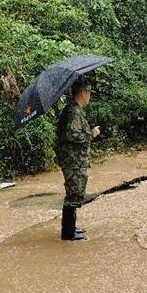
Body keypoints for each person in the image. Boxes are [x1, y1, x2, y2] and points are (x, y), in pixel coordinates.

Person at [54, 77, 100, 241]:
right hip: (73, 161)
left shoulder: (76, 110)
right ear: (82, 93)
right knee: (74, 194)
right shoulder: (73, 111)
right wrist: (91, 133)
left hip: (76, 161)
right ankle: (68, 233)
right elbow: (70, 135)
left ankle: (71, 228)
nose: (90, 96)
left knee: (76, 193)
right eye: (89, 93)